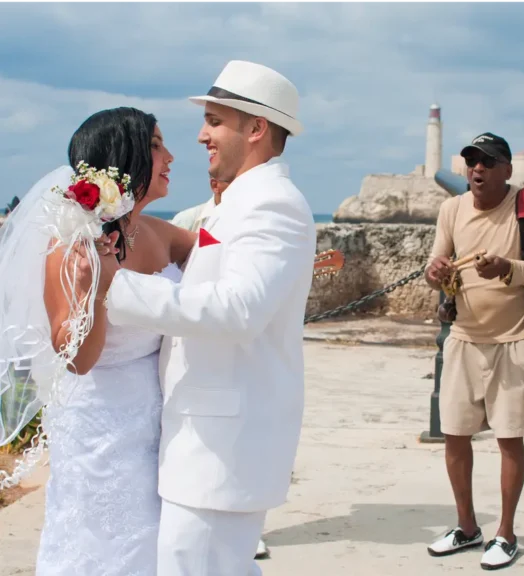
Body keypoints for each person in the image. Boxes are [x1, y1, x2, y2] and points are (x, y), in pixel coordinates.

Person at [83, 60, 316, 575]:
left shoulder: (272, 204)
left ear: (256, 129)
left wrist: (113, 286)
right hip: (203, 442)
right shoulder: (238, 202)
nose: (201, 136)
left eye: (214, 121)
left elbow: (239, 310)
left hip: (221, 448)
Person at [0, 106, 195, 574]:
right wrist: (99, 289)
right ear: (123, 159)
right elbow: (78, 359)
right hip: (96, 421)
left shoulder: (161, 234)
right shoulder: (71, 246)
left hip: (157, 415)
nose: (170, 156)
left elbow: (228, 265)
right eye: (155, 145)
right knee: (104, 543)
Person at [424, 133, 524, 570]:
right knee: (454, 435)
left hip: (514, 340)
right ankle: (467, 527)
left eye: (487, 162)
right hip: (463, 338)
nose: (477, 169)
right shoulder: (451, 209)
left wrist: (507, 268)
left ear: (507, 170)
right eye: (471, 162)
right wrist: (435, 271)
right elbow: (434, 267)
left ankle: (505, 533)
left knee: (509, 438)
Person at [170, 176, 271, 561]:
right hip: (193, 346)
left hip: (235, 352)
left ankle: (247, 527)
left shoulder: (253, 220)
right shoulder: (188, 219)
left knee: (241, 445)